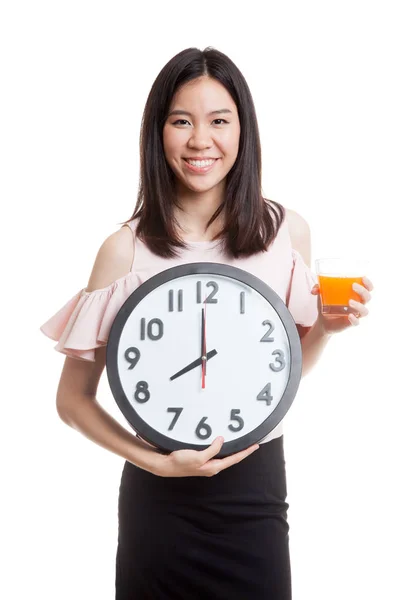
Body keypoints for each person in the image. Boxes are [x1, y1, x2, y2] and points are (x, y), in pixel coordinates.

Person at [40, 47, 373, 600]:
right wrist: (157, 464)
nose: (201, 141)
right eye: (181, 121)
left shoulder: (285, 232)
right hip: (158, 502)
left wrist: (327, 332)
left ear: (243, 131)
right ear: (157, 132)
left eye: (219, 121)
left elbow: (281, 373)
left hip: (256, 491)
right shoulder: (123, 250)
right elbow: (72, 402)